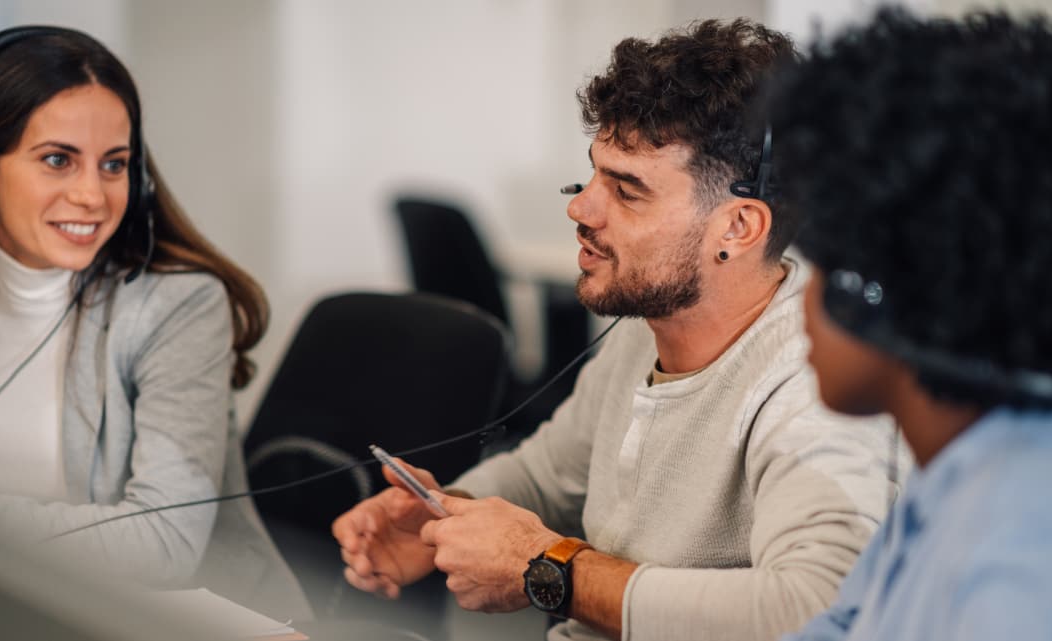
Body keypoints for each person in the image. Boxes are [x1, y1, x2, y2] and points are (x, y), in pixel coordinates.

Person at [334, 19, 900, 641]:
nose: (580, 209)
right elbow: (546, 477)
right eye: (594, 175)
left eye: (627, 192)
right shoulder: (648, 325)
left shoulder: (818, 388)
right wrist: (445, 517)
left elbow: (816, 611)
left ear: (738, 227)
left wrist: (548, 569)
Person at [0, 26, 309, 620]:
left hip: (165, 615)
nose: (92, 194)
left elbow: (163, 543)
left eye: (113, 165)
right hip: (4, 605)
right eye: (58, 160)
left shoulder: (178, 305)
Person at [768, 8, 1052, 640]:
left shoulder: (1030, 543)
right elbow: (840, 627)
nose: (805, 295)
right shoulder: (960, 469)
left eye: (823, 261)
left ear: (878, 292)